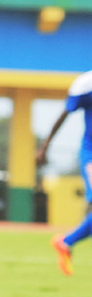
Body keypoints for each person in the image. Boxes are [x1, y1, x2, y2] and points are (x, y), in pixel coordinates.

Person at [38, 70, 92, 276]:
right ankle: (66, 241)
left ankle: (66, 242)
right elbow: (64, 114)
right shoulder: (86, 84)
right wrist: (45, 147)